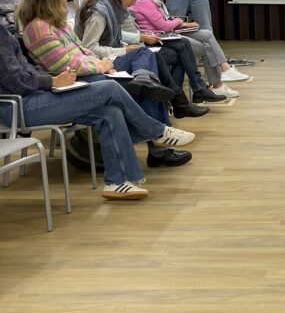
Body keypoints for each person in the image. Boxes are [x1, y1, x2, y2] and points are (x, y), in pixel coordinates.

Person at [0, 24, 194, 200]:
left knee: (109, 112)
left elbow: (26, 71)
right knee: (109, 88)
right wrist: (51, 81)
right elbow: (15, 80)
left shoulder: (6, 30)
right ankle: (156, 132)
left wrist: (54, 79)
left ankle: (116, 182)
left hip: (32, 97)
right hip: (17, 107)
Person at [74, 0, 194, 167]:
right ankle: (159, 148)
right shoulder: (99, 13)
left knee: (148, 70)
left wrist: (126, 47)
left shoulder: (112, 8)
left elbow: (111, 39)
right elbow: (89, 47)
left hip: (109, 60)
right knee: (147, 68)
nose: (132, 4)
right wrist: (123, 49)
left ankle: (147, 83)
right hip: (99, 65)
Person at [130, 0, 246, 97]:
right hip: (162, 36)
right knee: (205, 47)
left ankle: (223, 73)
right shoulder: (143, 0)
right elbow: (163, 25)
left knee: (207, 34)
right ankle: (218, 81)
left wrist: (184, 25)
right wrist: (179, 22)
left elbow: (164, 21)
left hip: (168, 32)